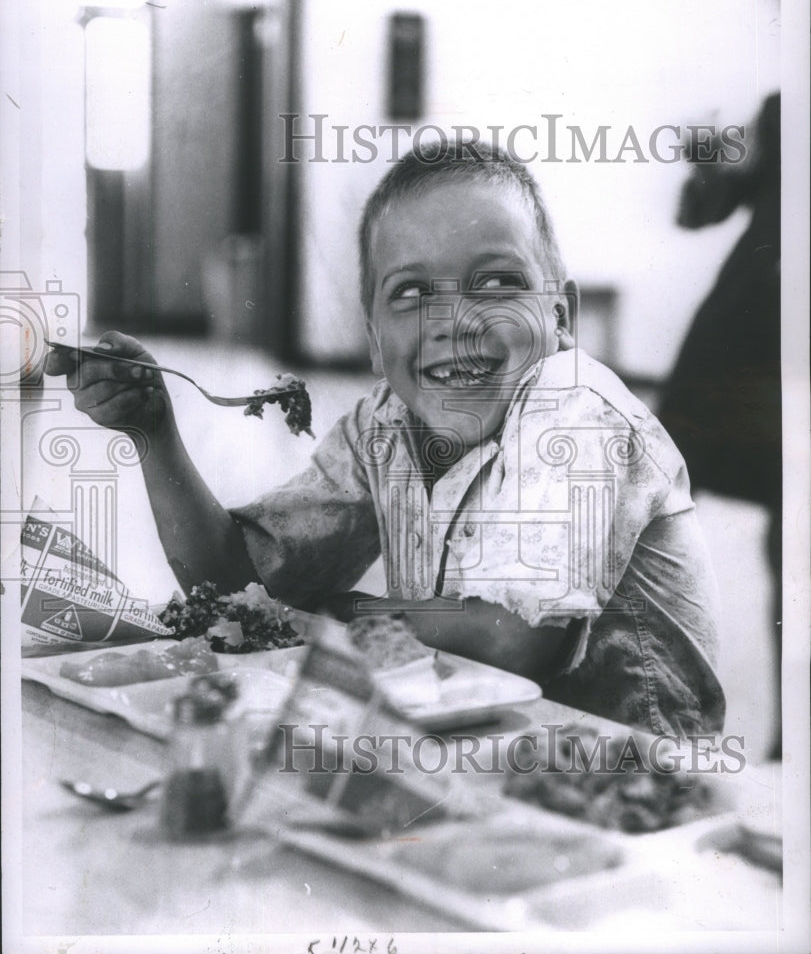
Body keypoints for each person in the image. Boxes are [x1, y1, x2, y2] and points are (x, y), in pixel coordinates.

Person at [46, 141, 725, 738]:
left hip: (635, 778)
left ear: (561, 315)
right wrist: (153, 433)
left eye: (496, 281)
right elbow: (236, 587)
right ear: (372, 341)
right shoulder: (383, 428)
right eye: (409, 292)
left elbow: (506, 639)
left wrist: (343, 609)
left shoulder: (577, 411)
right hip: (480, 750)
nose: (453, 319)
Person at [659, 93, 781, 756]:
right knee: (646, 513)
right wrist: (705, 156)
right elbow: (699, 210)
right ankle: (624, 706)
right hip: (733, 351)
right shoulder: (783, 108)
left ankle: (794, 759)